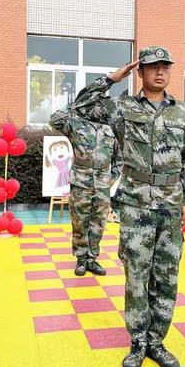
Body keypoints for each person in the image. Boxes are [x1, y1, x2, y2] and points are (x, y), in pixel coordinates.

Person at [73, 46, 185, 367]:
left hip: (171, 204)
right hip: (135, 203)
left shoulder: (183, 112)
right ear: (140, 72)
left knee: (166, 276)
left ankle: (157, 340)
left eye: (164, 66)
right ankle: (138, 341)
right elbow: (81, 106)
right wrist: (111, 79)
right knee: (137, 275)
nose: (159, 72)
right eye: (152, 66)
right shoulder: (123, 108)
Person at [50, 105, 121, 277]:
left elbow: (119, 158)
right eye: (94, 102)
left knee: (99, 222)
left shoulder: (111, 129)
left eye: (101, 102)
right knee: (80, 221)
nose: (98, 106)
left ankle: (92, 258)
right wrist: (77, 104)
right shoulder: (76, 124)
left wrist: (110, 179)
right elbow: (54, 120)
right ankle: (81, 259)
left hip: (103, 184)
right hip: (81, 182)